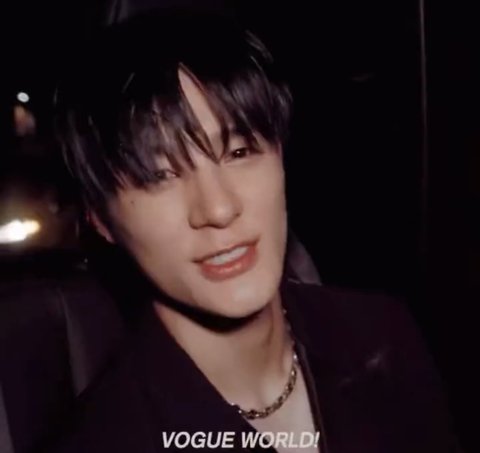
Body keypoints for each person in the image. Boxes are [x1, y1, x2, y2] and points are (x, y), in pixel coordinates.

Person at [50, 9, 460, 453]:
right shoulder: (106, 438)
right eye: (159, 176)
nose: (219, 208)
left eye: (240, 152)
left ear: (280, 154)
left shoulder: (383, 335)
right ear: (100, 219)